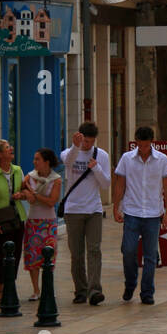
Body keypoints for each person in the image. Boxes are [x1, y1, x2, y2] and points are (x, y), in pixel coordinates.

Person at [113, 127, 167, 305]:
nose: (144, 149)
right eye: (140, 145)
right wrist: (116, 207)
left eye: (147, 145)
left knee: (150, 256)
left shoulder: (161, 160)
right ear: (136, 142)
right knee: (128, 250)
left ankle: (147, 292)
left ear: (152, 142)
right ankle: (130, 283)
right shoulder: (127, 159)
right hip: (132, 211)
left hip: (154, 213)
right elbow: (119, 185)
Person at [60, 122, 111, 306]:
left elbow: (106, 184)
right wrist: (75, 146)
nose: (87, 145)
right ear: (79, 137)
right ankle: (80, 290)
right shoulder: (69, 152)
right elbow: (67, 162)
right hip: (73, 210)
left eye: (90, 141)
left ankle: (95, 290)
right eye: (84, 141)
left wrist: (96, 168)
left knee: (94, 250)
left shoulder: (102, 155)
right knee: (76, 253)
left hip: (94, 210)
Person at [0, 140, 29, 305]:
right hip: (0, 219)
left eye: (10, 146)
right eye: (7, 148)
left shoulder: (18, 170)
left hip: (17, 217)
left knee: (16, 253)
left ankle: (11, 284)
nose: (11, 149)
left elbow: (25, 190)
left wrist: (21, 195)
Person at [22, 148, 62, 301]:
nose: (34, 162)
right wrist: (26, 194)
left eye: (37, 159)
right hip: (33, 220)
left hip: (49, 222)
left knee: (49, 256)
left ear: (47, 162)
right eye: (34, 159)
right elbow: (23, 193)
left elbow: (52, 201)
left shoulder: (56, 179)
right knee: (32, 256)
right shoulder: (29, 178)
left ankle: (48, 288)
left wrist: (35, 194)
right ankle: (36, 289)